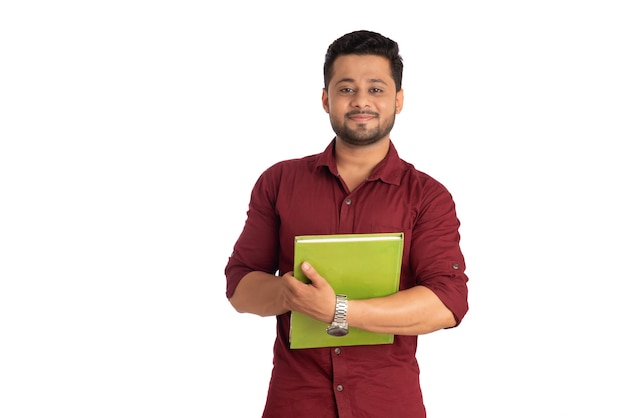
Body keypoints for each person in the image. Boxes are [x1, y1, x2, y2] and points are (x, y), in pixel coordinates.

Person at [225, 29, 469, 418]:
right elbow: (240, 286)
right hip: (296, 404)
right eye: (345, 89)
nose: (360, 102)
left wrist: (338, 310)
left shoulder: (427, 195)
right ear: (325, 99)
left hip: (388, 404)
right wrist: (290, 296)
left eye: (376, 89)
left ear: (398, 100)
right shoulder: (279, 182)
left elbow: (447, 303)